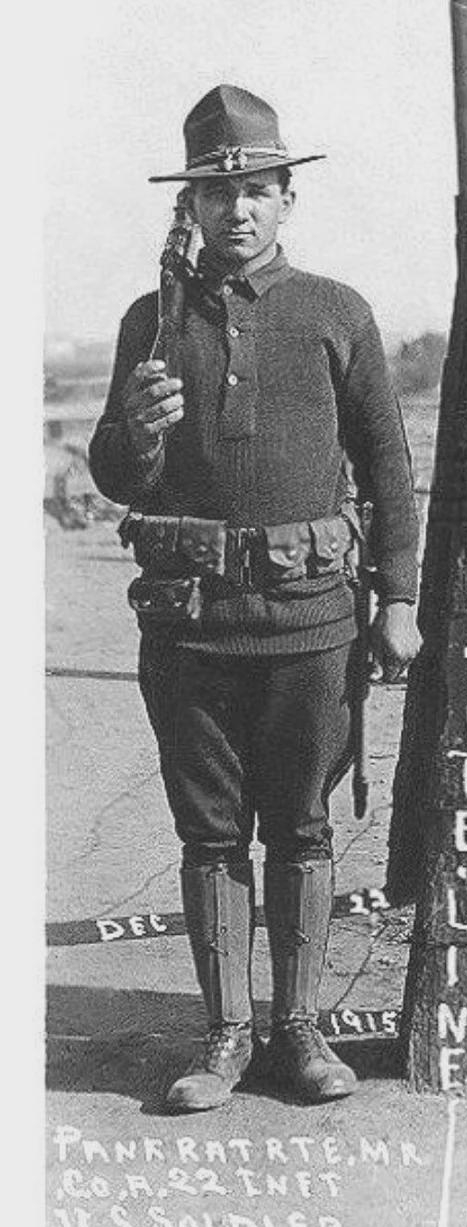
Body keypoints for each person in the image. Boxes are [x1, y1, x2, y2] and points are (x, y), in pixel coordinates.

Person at [89, 84, 421, 1111]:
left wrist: (398, 598)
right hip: (191, 626)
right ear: (189, 206)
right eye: (216, 194)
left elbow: (388, 465)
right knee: (210, 834)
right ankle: (225, 1039)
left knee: (306, 828)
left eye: (259, 192)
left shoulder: (336, 312)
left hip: (313, 619)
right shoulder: (153, 321)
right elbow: (114, 473)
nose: (238, 211)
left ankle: (301, 1033)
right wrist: (135, 432)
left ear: (287, 199)